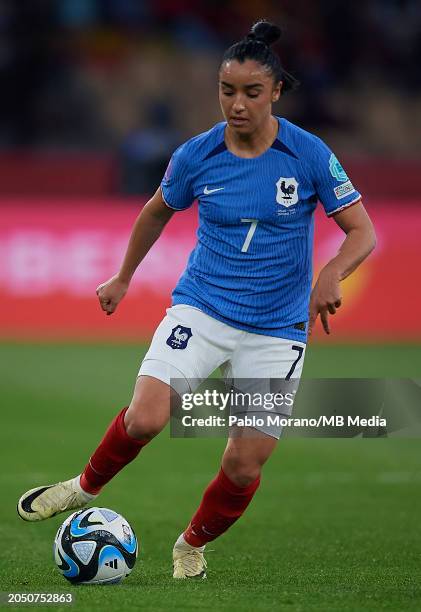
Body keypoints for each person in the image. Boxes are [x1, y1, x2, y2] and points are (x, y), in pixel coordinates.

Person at [17, 20, 376, 579]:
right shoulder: (196, 155)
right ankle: (80, 488)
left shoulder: (307, 154)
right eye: (226, 91)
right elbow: (156, 211)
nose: (237, 104)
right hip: (202, 308)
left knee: (243, 462)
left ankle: (190, 544)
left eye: (251, 92)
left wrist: (332, 274)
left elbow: (362, 231)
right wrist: (122, 277)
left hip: (277, 328)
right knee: (146, 418)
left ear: (276, 91)